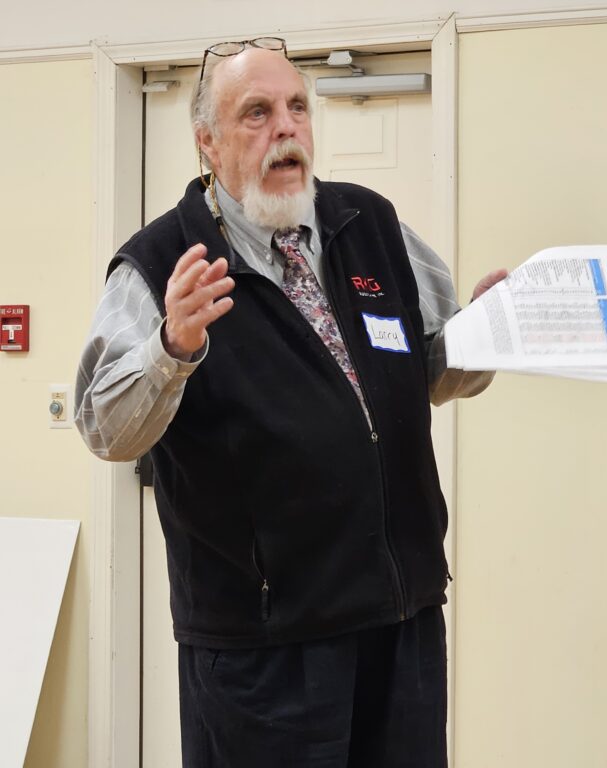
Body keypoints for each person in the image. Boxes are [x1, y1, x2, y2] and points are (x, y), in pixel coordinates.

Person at [75, 37, 506, 767]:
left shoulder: (369, 225)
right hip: (266, 648)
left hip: (400, 619)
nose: (286, 128)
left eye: (298, 108)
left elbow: (429, 366)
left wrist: (493, 333)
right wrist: (170, 350)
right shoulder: (160, 262)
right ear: (207, 142)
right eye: (257, 113)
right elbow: (106, 429)